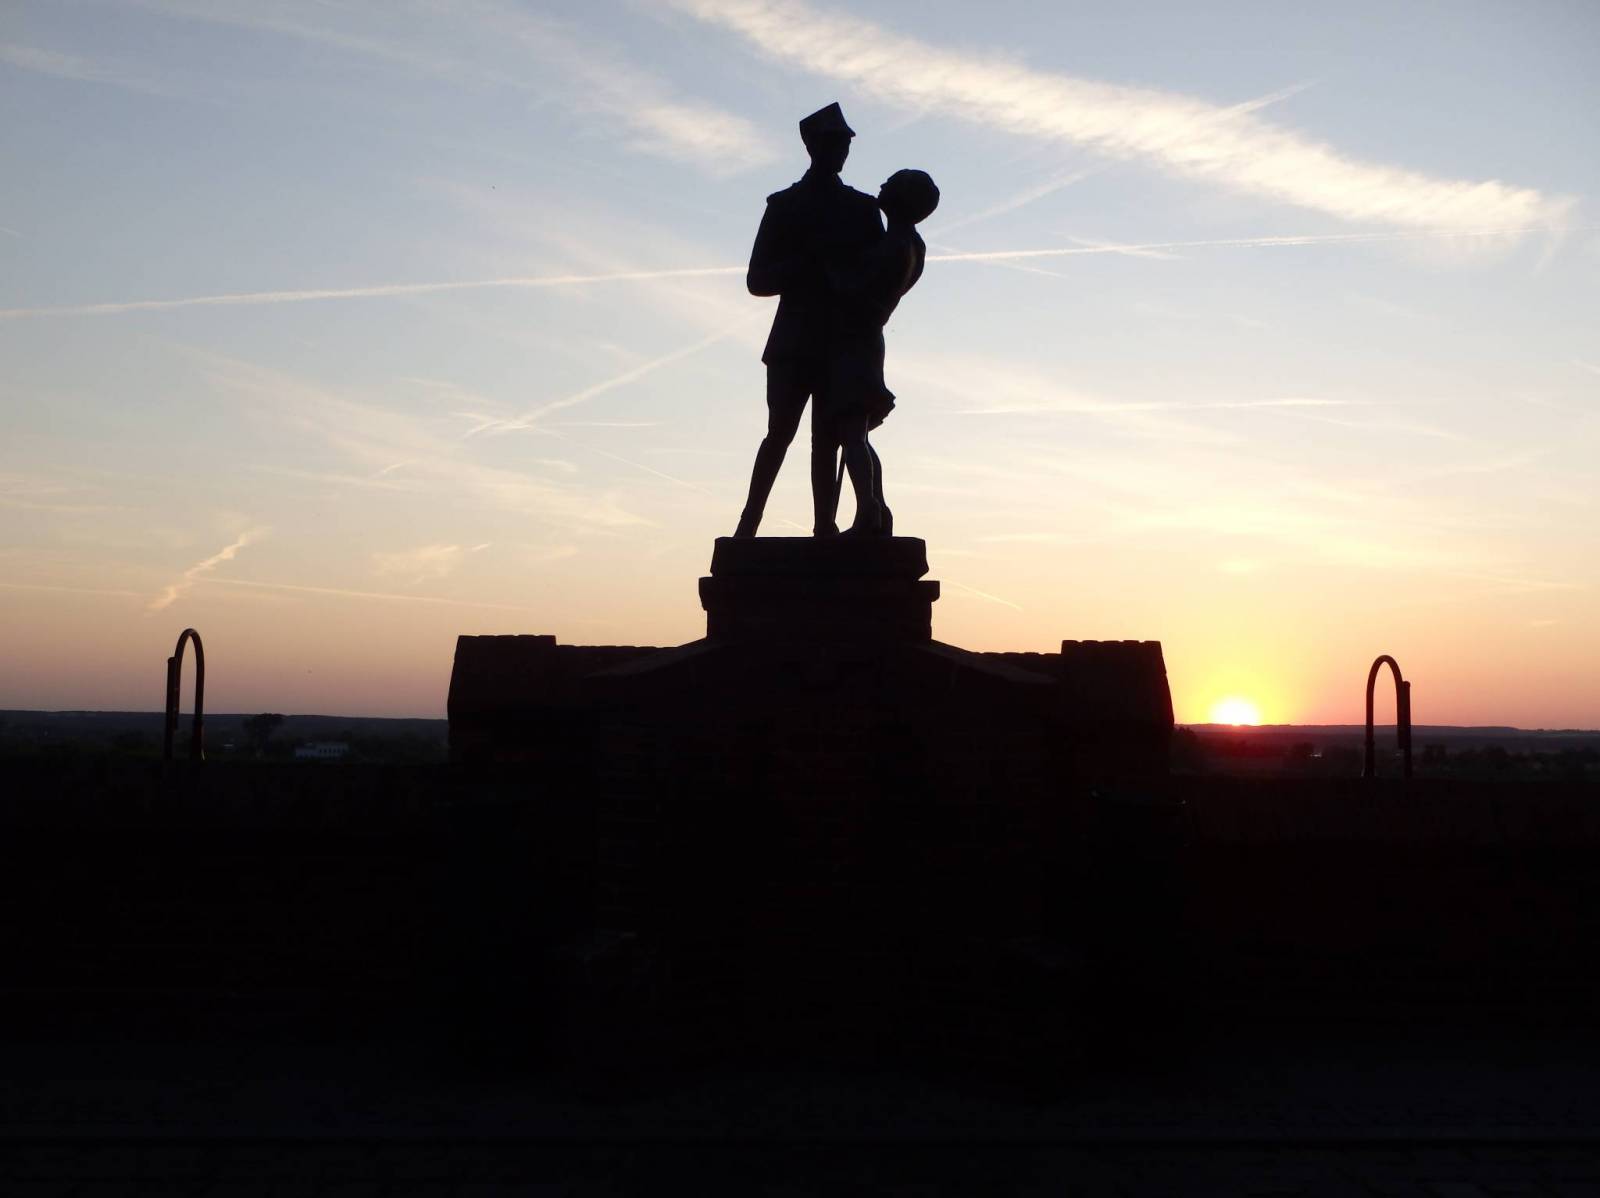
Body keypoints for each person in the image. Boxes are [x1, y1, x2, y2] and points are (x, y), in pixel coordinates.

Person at [734, 103, 884, 538]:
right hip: (793, 342)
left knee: (829, 440)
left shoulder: (862, 209)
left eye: (845, 143)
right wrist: (808, 265)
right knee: (779, 434)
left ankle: (825, 528)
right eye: (835, 142)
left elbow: (877, 279)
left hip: (842, 343)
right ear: (813, 146)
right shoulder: (784, 206)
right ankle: (748, 523)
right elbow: (757, 279)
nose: (843, 150)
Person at [824, 168, 939, 536]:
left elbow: (854, 290)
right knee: (854, 433)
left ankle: (869, 511)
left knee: (852, 433)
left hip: (857, 341)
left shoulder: (896, 245)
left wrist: (829, 265)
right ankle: (875, 509)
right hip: (866, 341)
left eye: (892, 182)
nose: (882, 185)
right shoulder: (909, 243)